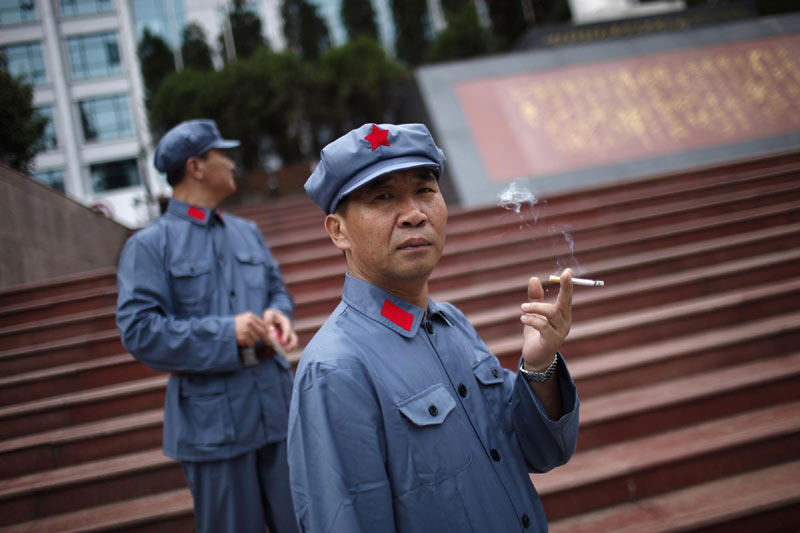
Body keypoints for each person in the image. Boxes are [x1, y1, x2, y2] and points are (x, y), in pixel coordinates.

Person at [287, 123, 580, 532]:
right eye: (383, 197)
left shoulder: (450, 323)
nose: (413, 214)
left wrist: (539, 367)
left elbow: (538, 451)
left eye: (425, 190)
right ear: (339, 231)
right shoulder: (336, 369)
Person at [116, 119, 300, 533]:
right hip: (214, 427)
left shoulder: (247, 233)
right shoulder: (149, 246)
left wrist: (278, 316)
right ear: (196, 167)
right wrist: (224, 332)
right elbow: (140, 331)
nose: (233, 164)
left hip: (277, 405)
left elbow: (277, 292)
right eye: (223, 155)